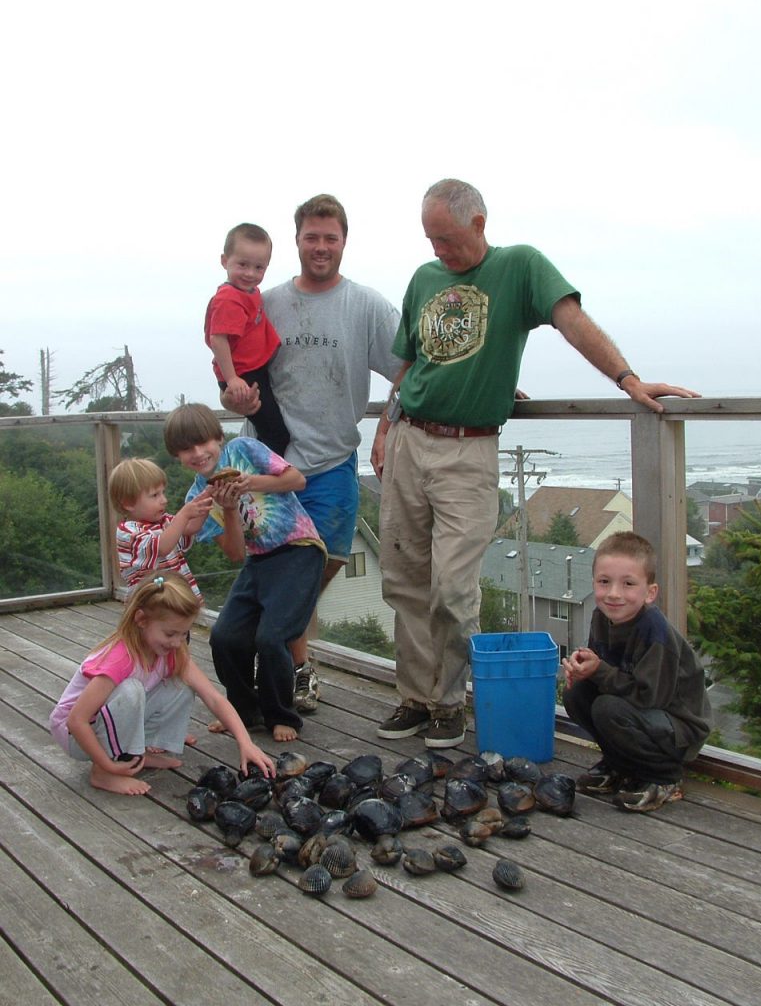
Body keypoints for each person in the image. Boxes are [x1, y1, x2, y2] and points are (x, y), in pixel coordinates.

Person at [372, 178, 700, 750]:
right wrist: (382, 428)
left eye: (447, 239)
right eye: (430, 240)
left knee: (451, 586)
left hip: (467, 450)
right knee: (403, 581)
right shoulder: (424, 279)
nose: (438, 252)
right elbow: (411, 362)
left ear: (479, 224)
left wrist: (627, 379)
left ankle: (449, 703)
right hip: (407, 438)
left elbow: (571, 320)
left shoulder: (520, 266)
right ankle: (414, 697)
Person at [221, 194, 403, 712]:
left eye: (331, 237)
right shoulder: (265, 301)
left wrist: (387, 425)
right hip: (266, 463)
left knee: (315, 571)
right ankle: (294, 670)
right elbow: (234, 372)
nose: (320, 247)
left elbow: (410, 369)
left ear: (344, 241)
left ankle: (278, 657)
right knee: (272, 571)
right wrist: (233, 394)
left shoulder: (365, 305)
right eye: (311, 237)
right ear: (296, 240)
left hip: (330, 465)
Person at [163, 402, 326, 743]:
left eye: (203, 443)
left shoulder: (244, 449)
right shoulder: (198, 498)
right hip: (259, 561)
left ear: (218, 437)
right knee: (225, 637)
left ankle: (282, 715)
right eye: (186, 449)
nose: (197, 453)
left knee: (271, 637)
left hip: (299, 548)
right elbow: (236, 553)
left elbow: (297, 479)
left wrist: (251, 482)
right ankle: (244, 711)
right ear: (177, 457)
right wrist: (229, 509)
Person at [49, 572, 276, 796]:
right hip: (76, 736)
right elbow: (76, 720)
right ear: (141, 620)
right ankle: (102, 772)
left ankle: (139, 751)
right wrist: (106, 764)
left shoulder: (171, 652)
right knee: (131, 691)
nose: (177, 642)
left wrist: (245, 743)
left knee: (183, 685)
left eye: (184, 633)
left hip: (102, 725)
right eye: (170, 634)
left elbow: (214, 699)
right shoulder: (120, 658)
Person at [561, 531, 712, 812]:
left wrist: (600, 671)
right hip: (642, 715)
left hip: (679, 726)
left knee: (608, 708)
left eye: (628, 584)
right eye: (604, 582)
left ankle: (665, 777)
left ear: (649, 592)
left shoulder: (655, 633)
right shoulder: (601, 617)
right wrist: (584, 670)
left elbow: (650, 697)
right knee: (576, 695)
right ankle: (620, 765)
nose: (614, 593)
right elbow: (604, 673)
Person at [205, 222, 289, 455]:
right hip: (243, 375)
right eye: (242, 265)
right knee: (276, 435)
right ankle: (263, 481)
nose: (250, 274)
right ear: (225, 261)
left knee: (271, 430)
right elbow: (218, 339)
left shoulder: (247, 292)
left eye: (259, 267)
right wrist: (232, 379)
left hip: (251, 370)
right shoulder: (229, 298)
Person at [109, 457, 213, 603]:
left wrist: (208, 498)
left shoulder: (163, 521)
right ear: (128, 503)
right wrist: (184, 514)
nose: (164, 500)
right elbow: (162, 547)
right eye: (155, 495)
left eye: (163, 492)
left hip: (174, 601)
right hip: (150, 605)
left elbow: (190, 528)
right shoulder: (128, 532)